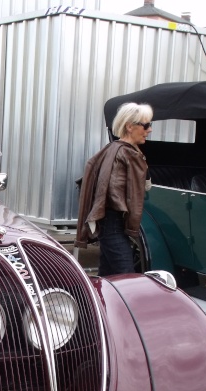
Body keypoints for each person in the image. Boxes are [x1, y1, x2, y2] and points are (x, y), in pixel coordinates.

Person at [75, 102, 152, 276]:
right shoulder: (127, 154)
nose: (149, 130)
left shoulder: (114, 149)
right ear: (130, 126)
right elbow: (111, 191)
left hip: (109, 223)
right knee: (127, 277)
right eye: (146, 125)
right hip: (113, 224)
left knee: (108, 277)